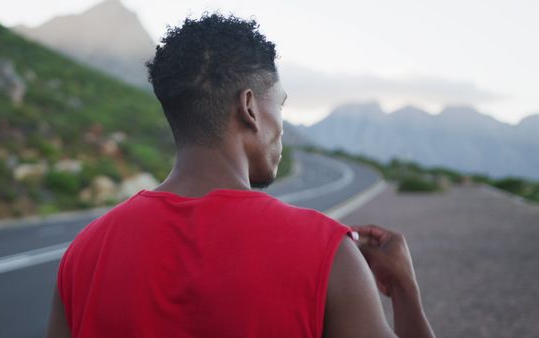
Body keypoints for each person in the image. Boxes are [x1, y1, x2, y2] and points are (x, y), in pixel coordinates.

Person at [47, 13, 435, 338]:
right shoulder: (327, 252)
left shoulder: (83, 254)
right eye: (279, 105)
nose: (280, 127)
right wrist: (403, 288)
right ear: (249, 107)